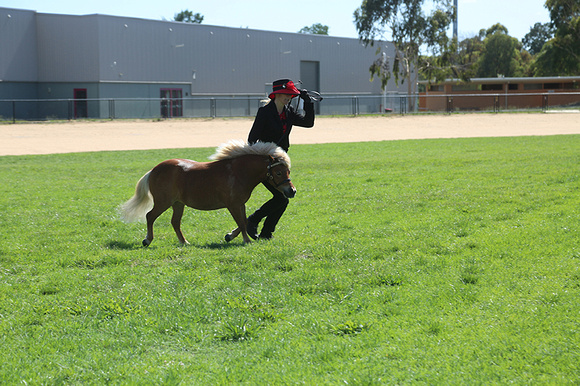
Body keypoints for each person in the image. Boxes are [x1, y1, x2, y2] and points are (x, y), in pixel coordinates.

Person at [247, 79, 315, 240]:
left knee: (282, 199)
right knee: (281, 198)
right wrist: (267, 153)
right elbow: (252, 139)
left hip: (281, 164)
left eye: (291, 95)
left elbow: (308, 123)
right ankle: (256, 224)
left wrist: (308, 103)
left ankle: (263, 231)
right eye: (286, 94)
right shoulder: (264, 112)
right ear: (276, 94)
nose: (289, 97)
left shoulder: (289, 112)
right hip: (266, 164)